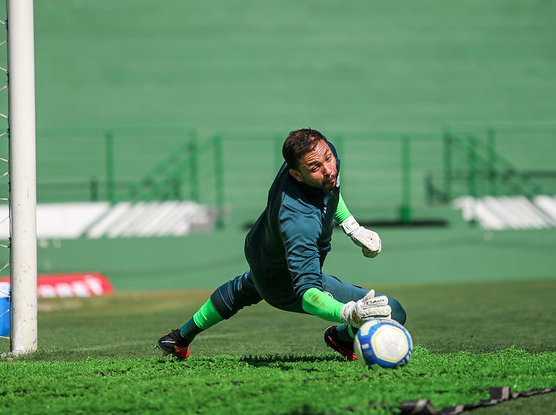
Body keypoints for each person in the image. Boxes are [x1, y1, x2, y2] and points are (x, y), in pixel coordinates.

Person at [156, 128, 406, 360]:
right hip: (282, 281)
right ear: (296, 174)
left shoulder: (316, 154)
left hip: (263, 249)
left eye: (328, 158)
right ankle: (340, 336)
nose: (328, 170)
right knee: (393, 311)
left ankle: (179, 338)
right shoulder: (299, 222)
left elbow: (331, 192)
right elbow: (308, 295)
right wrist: (349, 313)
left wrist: (352, 225)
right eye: (316, 167)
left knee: (245, 287)